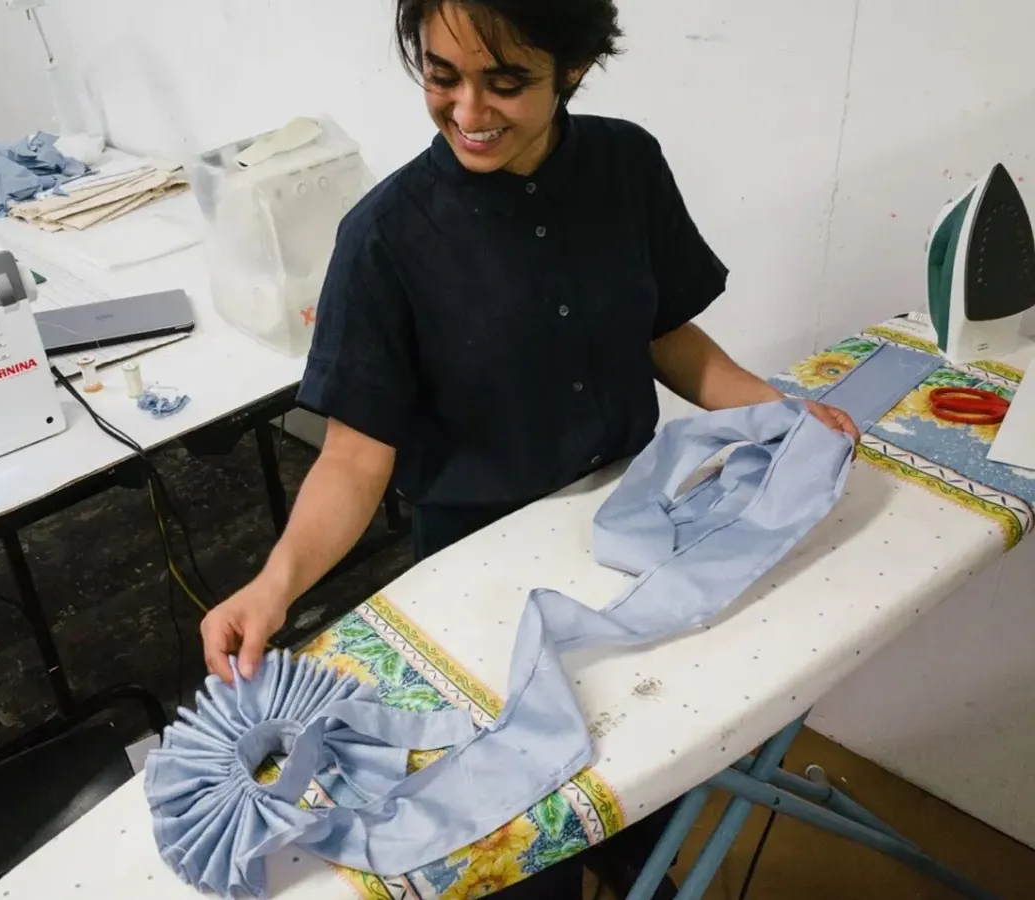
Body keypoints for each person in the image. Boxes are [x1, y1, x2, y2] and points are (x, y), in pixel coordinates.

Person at [201, 1, 858, 896]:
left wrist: (785, 421)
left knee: (644, 782)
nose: (469, 111)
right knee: (520, 831)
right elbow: (356, 458)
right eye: (442, 76)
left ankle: (640, 869)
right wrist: (273, 586)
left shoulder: (626, 164)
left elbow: (670, 338)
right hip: (479, 574)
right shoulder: (386, 239)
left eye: (506, 83)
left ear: (574, 69)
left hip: (633, 539)